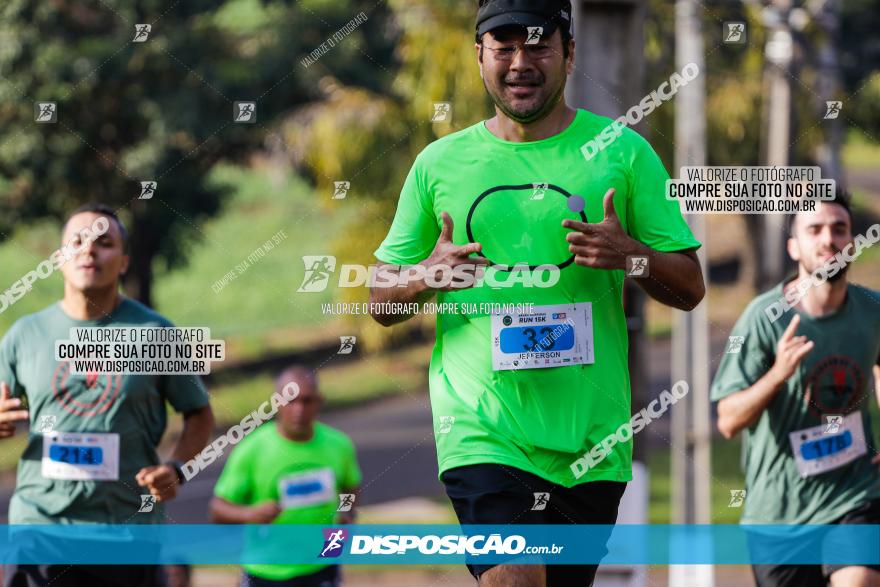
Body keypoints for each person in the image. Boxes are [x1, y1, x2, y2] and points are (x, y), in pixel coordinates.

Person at [368, 1, 705, 585]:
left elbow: (691, 287)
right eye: (503, 48)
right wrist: (426, 274)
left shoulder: (622, 152)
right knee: (515, 576)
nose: (520, 63)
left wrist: (632, 257)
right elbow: (379, 301)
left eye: (538, 45)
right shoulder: (439, 163)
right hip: (482, 430)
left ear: (569, 54)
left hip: (593, 443)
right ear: (480, 58)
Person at [0, 203, 215, 586]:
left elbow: (199, 414)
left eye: (104, 242)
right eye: (77, 242)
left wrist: (177, 467)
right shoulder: (24, 335)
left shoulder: (155, 332)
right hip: (41, 528)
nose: (89, 251)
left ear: (125, 261)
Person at [712, 197, 880, 587]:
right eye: (815, 229)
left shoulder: (872, 311)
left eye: (839, 228)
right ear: (793, 246)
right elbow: (728, 420)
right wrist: (777, 375)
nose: (829, 239)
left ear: (852, 242)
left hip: (855, 494)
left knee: (858, 580)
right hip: (779, 514)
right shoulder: (763, 318)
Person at [210, 366, 362, 587]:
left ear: (319, 401)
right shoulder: (252, 449)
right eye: (291, 400)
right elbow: (217, 510)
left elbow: (351, 488)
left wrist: (345, 514)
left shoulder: (338, 445)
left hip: (321, 567)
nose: (299, 409)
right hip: (266, 572)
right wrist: (250, 513)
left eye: (307, 400)